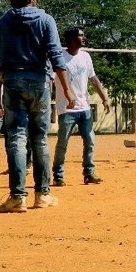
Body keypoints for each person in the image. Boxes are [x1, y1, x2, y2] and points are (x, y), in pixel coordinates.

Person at [0, 0, 76, 213]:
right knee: (39, 138)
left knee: (16, 139)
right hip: (39, 83)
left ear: (12, 1)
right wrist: (67, 89)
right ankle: (42, 195)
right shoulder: (46, 20)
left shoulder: (2, 23)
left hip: (12, 83)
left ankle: (17, 197)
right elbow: (56, 57)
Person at [52, 28, 111, 186]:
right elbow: (49, 80)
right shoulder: (59, 57)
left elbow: (93, 79)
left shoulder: (85, 56)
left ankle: (89, 173)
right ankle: (58, 175)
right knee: (62, 143)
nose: (84, 38)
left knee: (90, 140)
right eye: (81, 35)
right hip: (67, 109)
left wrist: (104, 98)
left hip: (84, 108)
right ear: (71, 38)